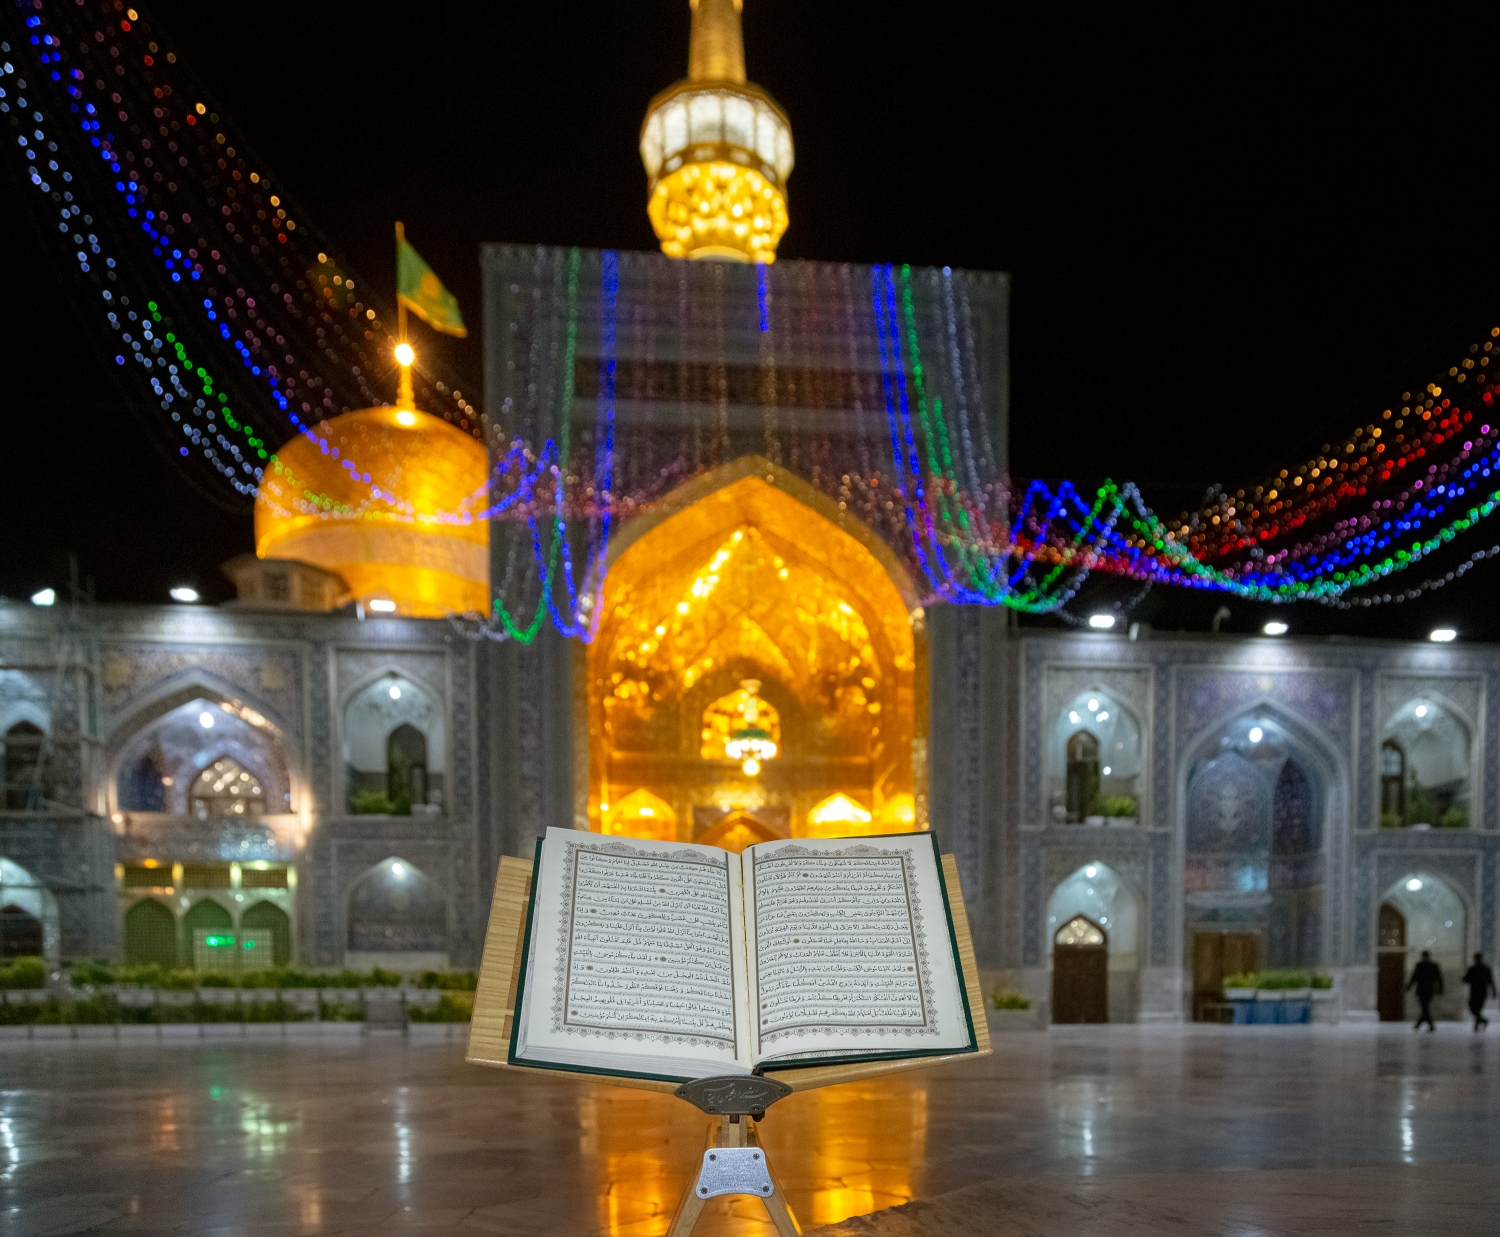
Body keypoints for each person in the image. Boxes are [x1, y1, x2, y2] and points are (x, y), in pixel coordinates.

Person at [1407, 950, 1443, 1032]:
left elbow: (1439, 978)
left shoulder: (1432, 966)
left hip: (1428, 990)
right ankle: (1425, 1024)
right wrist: (1409, 986)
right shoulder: (1421, 966)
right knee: (1425, 1007)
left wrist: (1440, 989)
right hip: (1423, 990)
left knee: (1424, 1007)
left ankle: (1422, 1024)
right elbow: (1414, 977)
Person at [1462, 952, 1496, 1032]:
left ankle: (1478, 1023)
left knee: (1477, 1008)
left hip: (1480, 991)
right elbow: (1466, 979)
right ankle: (1482, 1021)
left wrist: (1493, 991)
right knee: (1473, 1008)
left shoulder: (1484, 969)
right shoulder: (1474, 969)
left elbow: (1490, 980)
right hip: (1476, 991)